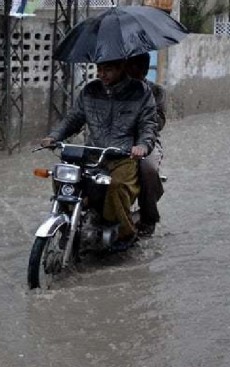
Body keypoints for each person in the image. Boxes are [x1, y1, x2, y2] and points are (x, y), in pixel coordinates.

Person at [40, 59, 157, 251]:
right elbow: (74, 118)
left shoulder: (141, 92)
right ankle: (68, 223)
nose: (101, 74)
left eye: (108, 70)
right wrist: (54, 136)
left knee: (116, 186)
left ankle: (124, 232)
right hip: (92, 154)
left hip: (122, 156)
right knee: (64, 177)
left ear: (121, 69)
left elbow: (148, 125)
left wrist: (142, 145)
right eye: (99, 69)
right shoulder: (90, 91)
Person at [125, 53, 166, 237]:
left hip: (147, 142)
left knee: (147, 168)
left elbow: (158, 122)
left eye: (136, 68)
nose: (132, 72)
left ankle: (149, 217)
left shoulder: (156, 91)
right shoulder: (116, 89)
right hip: (116, 141)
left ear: (143, 69)